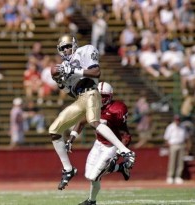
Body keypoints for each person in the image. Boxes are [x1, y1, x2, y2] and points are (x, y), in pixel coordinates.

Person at [49, 34, 135, 190]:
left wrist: (73, 70)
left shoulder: (85, 51)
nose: (67, 49)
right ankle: (68, 170)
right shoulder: (64, 66)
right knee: (54, 131)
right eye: (63, 48)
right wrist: (60, 83)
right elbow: (73, 93)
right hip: (80, 98)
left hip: (91, 92)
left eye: (68, 46)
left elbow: (96, 73)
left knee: (94, 122)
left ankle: (125, 151)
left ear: (74, 45)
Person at [66, 82, 133, 205]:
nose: (101, 99)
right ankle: (121, 168)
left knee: (94, 176)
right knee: (88, 175)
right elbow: (81, 123)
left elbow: (125, 135)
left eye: (104, 96)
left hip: (112, 146)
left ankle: (92, 201)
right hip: (98, 143)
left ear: (110, 96)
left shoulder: (116, 109)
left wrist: (118, 153)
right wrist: (71, 140)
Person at [164, 115, 190, 184]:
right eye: (176, 120)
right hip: (173, 145)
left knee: (180, 162)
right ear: (174, 120)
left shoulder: (183, 127)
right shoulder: (170, 127)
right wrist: (169, 145)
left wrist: (187, 147)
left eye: (178, 120)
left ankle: (178, 176)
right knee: (172, 161)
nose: (177, 121)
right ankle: (170, 176)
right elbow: (166, 138)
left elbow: (186, 138)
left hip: (181, 145)